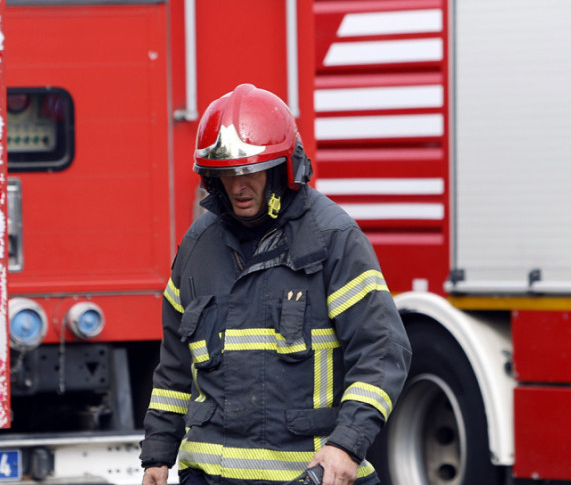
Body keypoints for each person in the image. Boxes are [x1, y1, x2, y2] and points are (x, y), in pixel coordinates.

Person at [139, 84, 411, 485]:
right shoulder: (198, 248)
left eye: (250, 171)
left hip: (308, 477)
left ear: (282, 168)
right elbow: (175, 369)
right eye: (227, 174)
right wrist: (158, 455)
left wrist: (347, 444)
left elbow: (383, 350)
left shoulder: (332, 238)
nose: (238, 187)